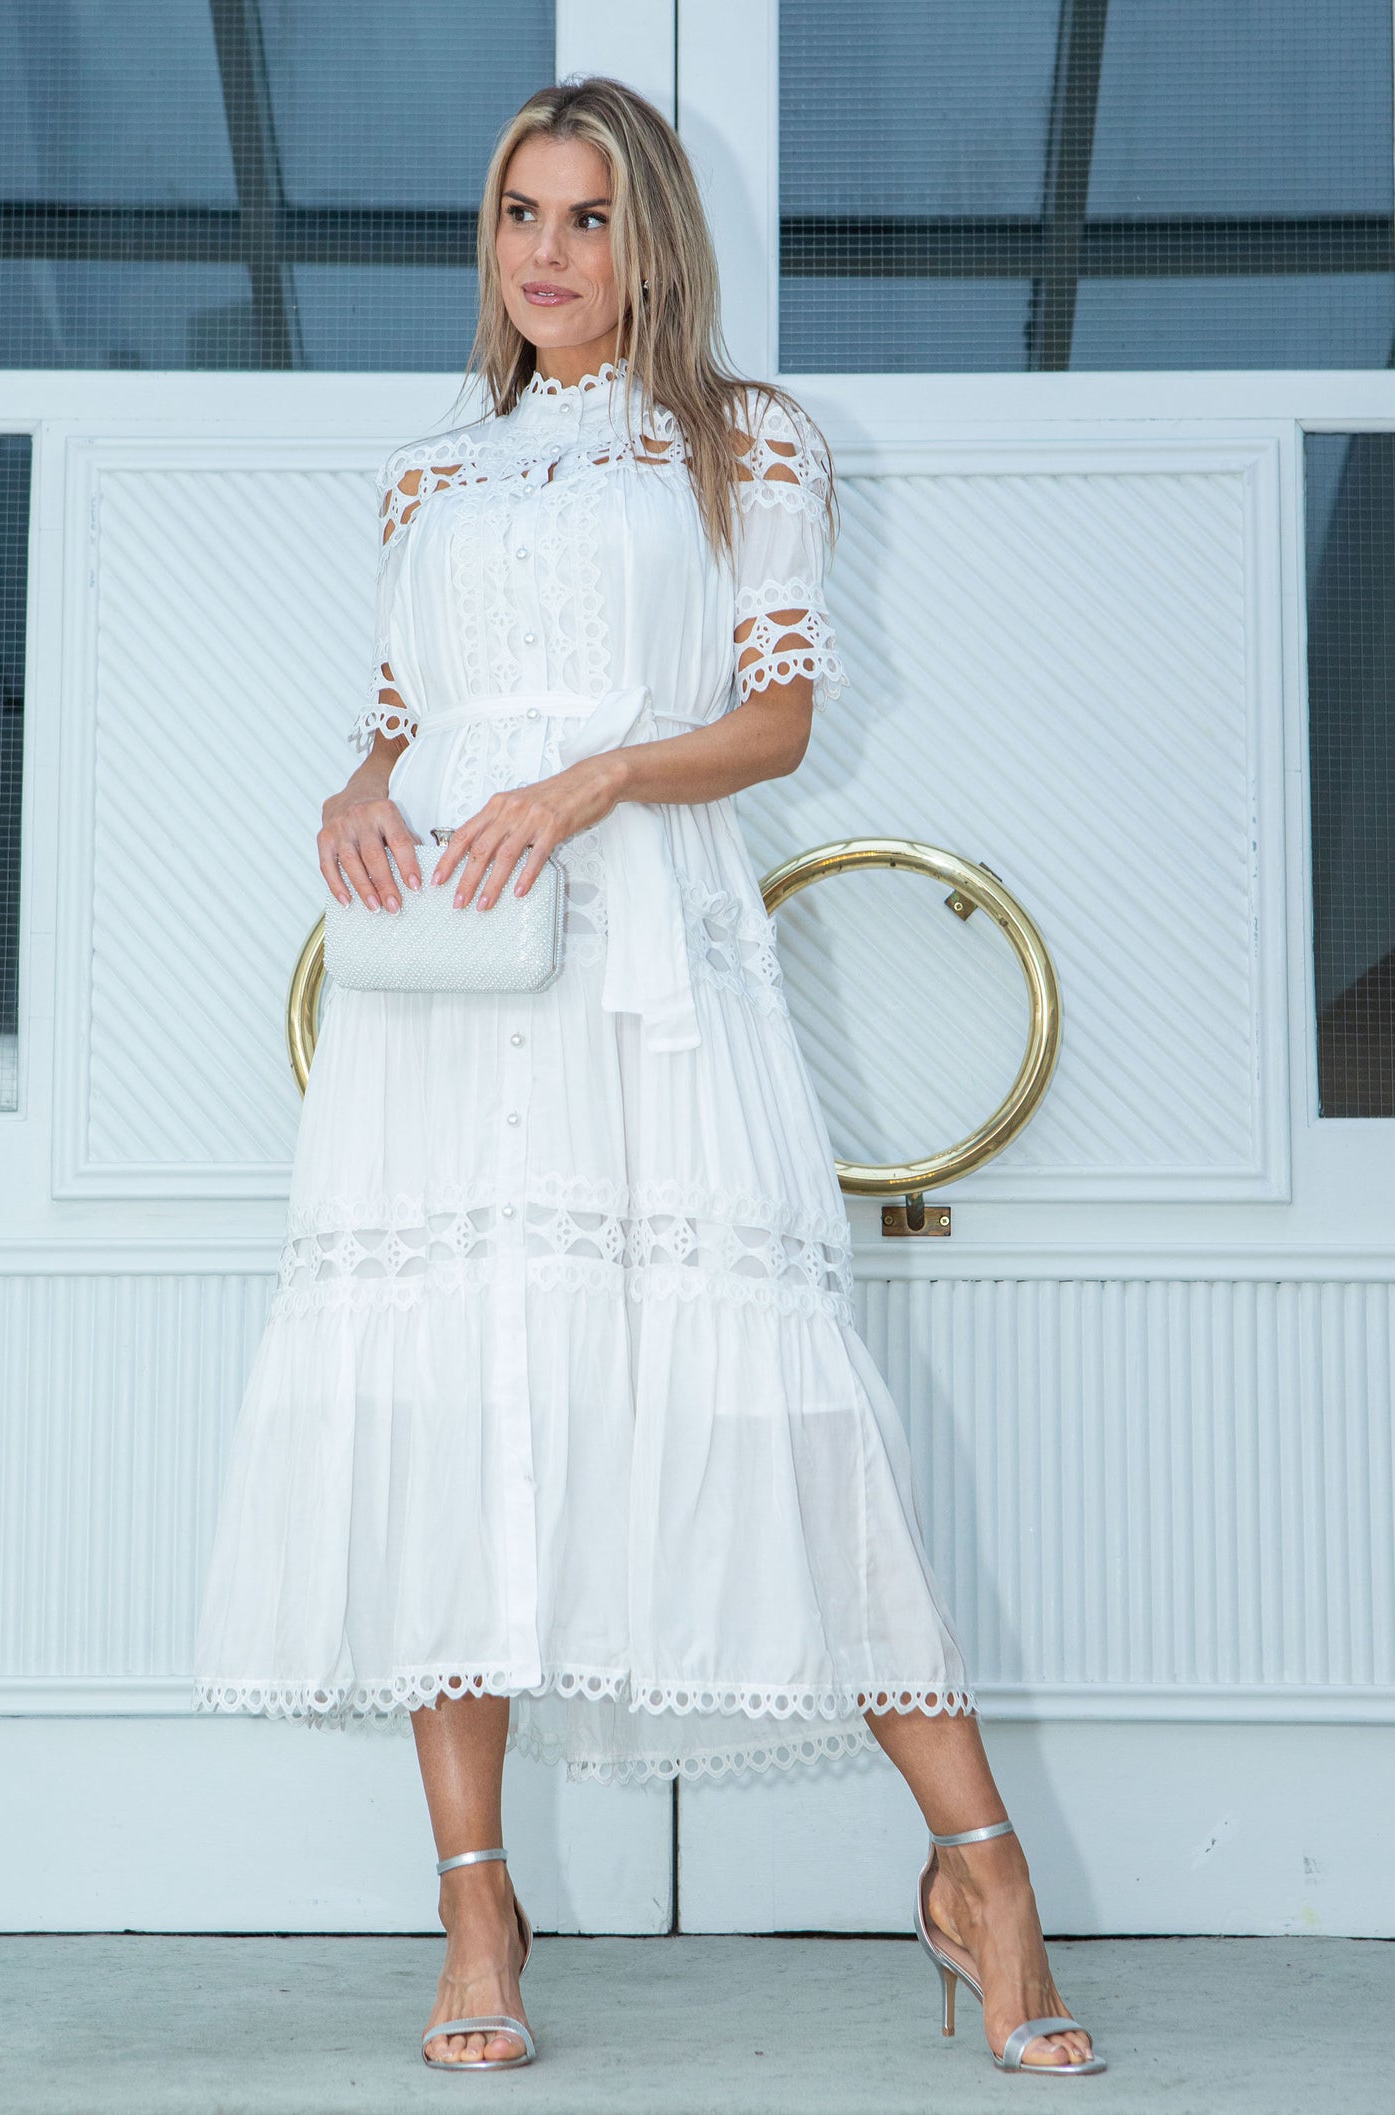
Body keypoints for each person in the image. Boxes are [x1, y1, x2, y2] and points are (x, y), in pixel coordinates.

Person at [193, 75, 1105, 2080]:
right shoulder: (426, 478)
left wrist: (598, 774)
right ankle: (476, 1906)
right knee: (442, 1397)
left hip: (646, 969)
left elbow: (778, 719)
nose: (548, 252)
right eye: (521, 212)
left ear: (650, 240)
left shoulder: (742, 440)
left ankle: (981, 1874)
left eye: (589, 217)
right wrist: (355, 792)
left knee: (769, 1395)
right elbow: (402, 711)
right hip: (451, 976)